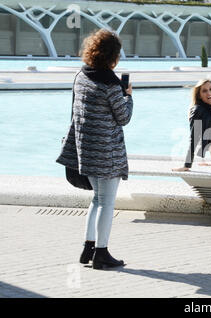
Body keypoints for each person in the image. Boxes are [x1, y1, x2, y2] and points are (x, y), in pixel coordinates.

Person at [56, 29, 133, 270]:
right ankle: (102, 253)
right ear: (113, 56)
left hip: (86, 150)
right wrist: (128, 96)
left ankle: (88, 247)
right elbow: (123, 117)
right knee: (107, 203)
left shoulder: (81, 76)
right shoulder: (110, 84)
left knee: (97, 199)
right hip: (107, 154)